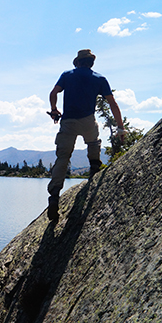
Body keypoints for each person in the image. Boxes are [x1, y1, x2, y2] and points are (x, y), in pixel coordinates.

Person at [46, 49, 124, 223]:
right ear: (91, 63)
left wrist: (54, 109)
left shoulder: (67, 75)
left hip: (68, 122)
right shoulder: (99, 79)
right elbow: (113, 103)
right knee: (93, 141)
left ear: (78, 62)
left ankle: (54, 196)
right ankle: (94, 166)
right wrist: (120, 126)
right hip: (87, 120)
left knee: (62, 158)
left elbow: (53, 93)